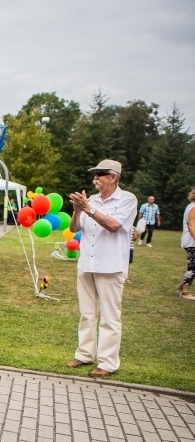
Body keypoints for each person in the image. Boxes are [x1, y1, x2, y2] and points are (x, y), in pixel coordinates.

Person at [67, 159, 137, 378]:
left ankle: (108, 362)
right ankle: (85, 354)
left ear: (113, 177)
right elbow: (74, 228)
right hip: (87, 263)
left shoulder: (127, 199)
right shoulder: (92, 200)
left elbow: (114, 225)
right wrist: (77, 211)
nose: (95, 178)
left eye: (100, 174)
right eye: (94, 174)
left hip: (111, 265)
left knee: (110, 317)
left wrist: (88, 209)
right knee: (87, 313)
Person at [178, 187, 195, 300]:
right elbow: (191, 225)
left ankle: (184, 284)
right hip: (191, 241)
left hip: (191, 241)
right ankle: (185, 291)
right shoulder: (193, 207)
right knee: (192, 267)